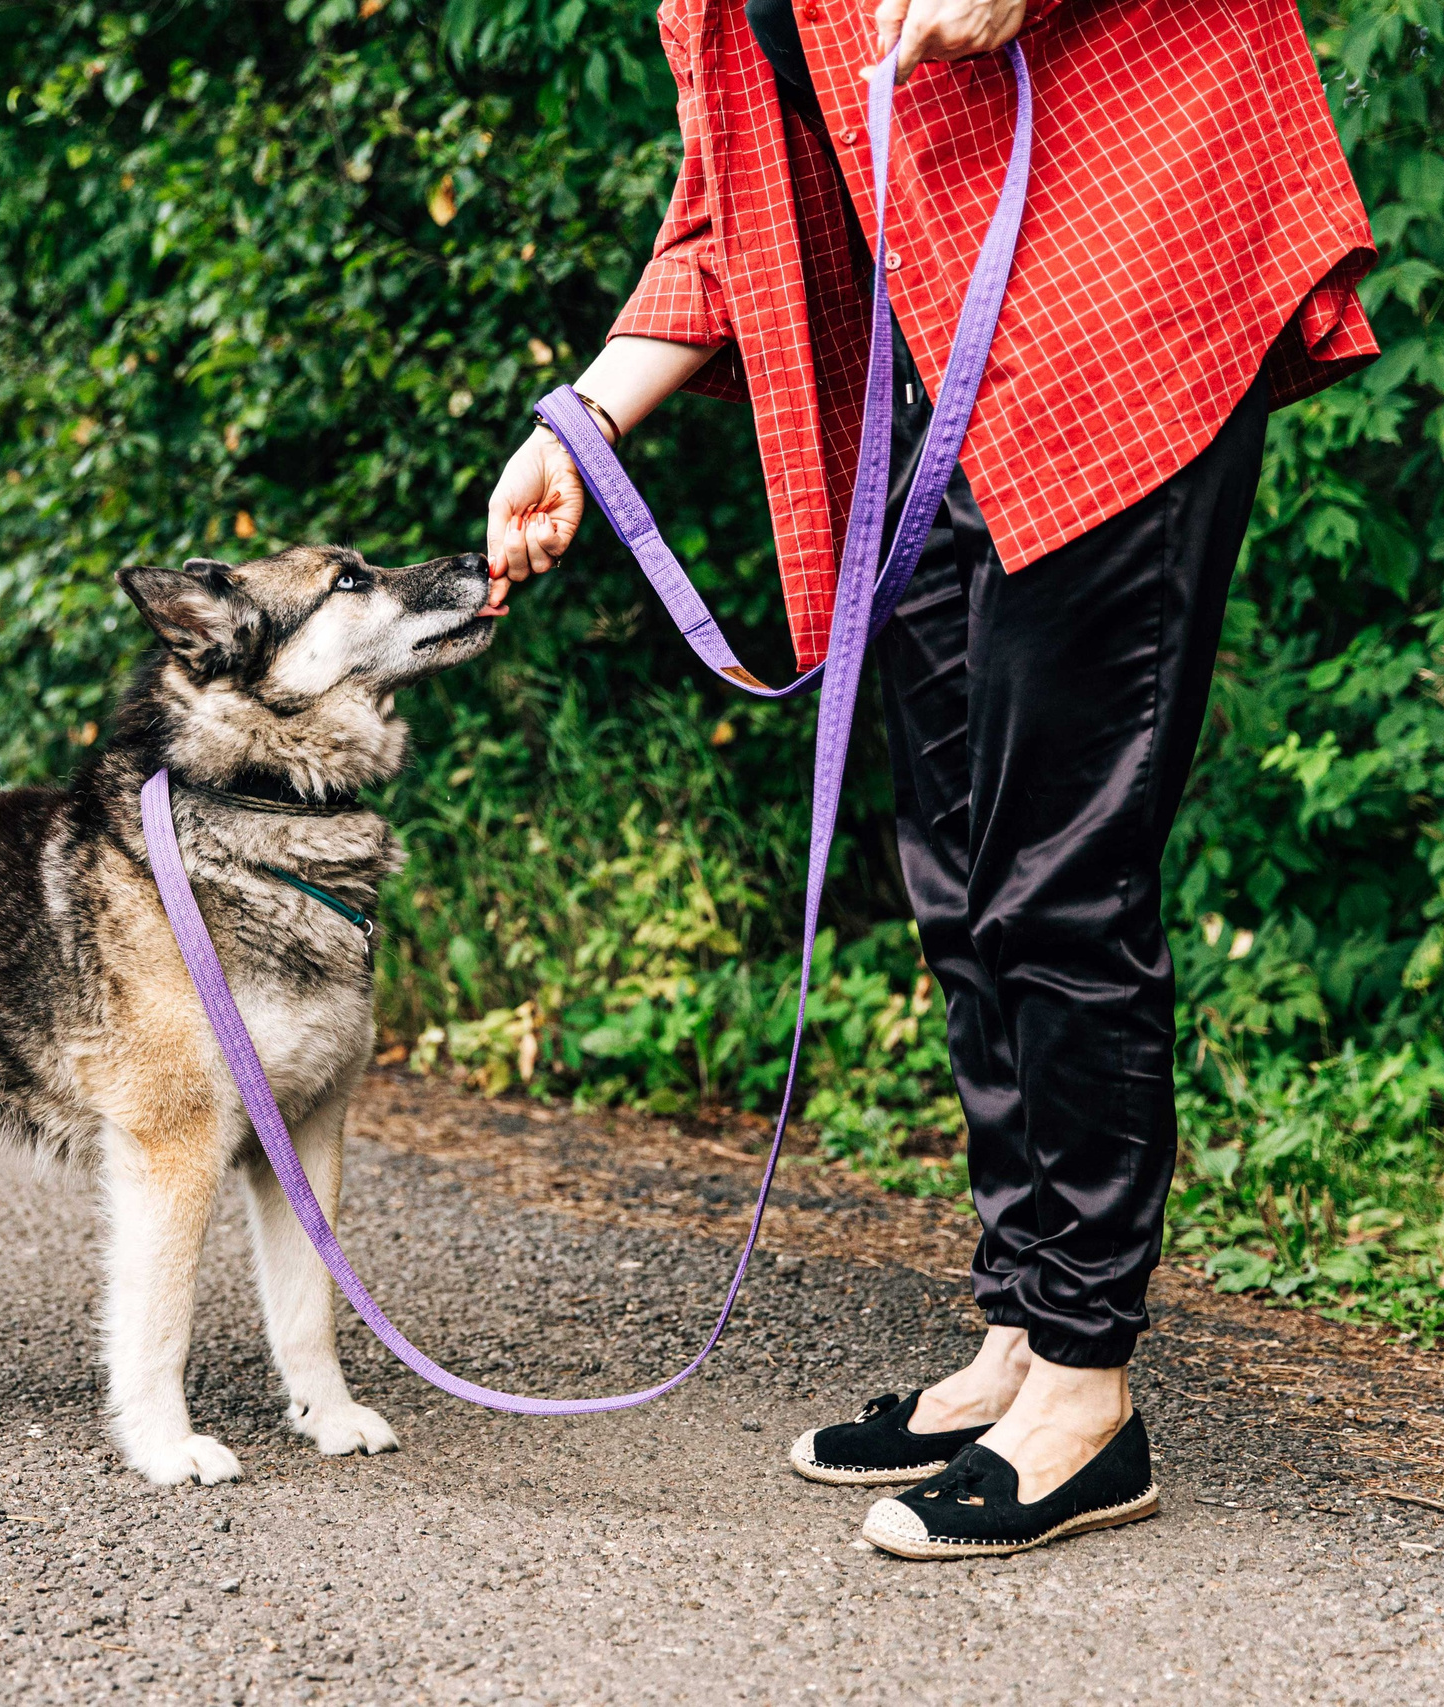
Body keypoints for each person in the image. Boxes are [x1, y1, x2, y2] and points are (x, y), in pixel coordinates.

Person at [483, 0, 1375, 1559]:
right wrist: (583, 424)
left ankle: (1088, 1397)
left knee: (1058, 879)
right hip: (940, 386)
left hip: (1123, 312)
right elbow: (733, 214)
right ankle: (1023, 1339)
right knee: (959, 869)